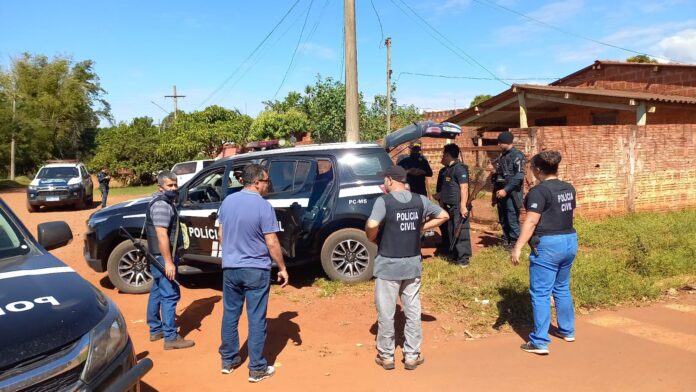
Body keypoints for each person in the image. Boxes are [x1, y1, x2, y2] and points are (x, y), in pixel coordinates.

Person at [365, 166, 449, 371]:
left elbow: (373, 223)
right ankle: (412, 355)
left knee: (386, 312)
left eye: (385, 179)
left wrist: (371, 236)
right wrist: (421, 227)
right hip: (412, 262)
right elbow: (444, 215)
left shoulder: (383, 201)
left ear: (391, 181)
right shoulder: (419, 200)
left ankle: (386, 356)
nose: (384, 182)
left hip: (388, 264)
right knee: (412, 310)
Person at [217, 164, 289, 383]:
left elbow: (221, 233)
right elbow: (272, 242)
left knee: (230, 314)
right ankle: (256, 368)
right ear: (256, 182)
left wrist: (232, 252)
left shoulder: (228, 201)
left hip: (230, 268)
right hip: (256, 269)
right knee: (256, 318)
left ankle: (228, 360)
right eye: (266, 181)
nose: (268, 185)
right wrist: (282, 268)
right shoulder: (263, 206)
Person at [511, 150, 578, 355]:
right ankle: (567, 330)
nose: (531, 171)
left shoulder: (539, 192)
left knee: (540, 293)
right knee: (562, 288)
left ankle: (539, 341)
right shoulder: (569, 188)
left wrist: (518, 247)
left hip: (549, 244)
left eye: (532, 168)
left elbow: (531, 221)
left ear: (538, 169)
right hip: (569, 240)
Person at [146, 170, 194, 350]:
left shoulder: (160, 201)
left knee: (157, 291)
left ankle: (155, 329)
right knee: (170, 294)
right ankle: (171, 338)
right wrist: (168, 262)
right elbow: (162, 236)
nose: (174, 188)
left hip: (156, 255)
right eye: (170, 186)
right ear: (160, 187)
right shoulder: (162, 206)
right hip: (162, 256)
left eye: (175, 184)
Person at [436, 143, 472, 267]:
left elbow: (464, 187)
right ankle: (455, 255)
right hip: (448, 206)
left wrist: (463, 206)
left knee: (460, 232)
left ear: (448, 154)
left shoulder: (460, 168)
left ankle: (463, 259)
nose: (442, 156)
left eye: (443, 154)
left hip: (458, 206)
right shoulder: (447, 169)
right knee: (451, 231)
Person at [493, 131, 526, 250]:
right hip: (501, 191)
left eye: (500, 142)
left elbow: (519, 176)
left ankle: (515, 243)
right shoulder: (503, 155)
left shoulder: (517, 155)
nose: (498, 145)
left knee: (512, 218)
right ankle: (506, 239)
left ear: (507, 142)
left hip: (512, 192)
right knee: (503, 217)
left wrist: (506, 190)